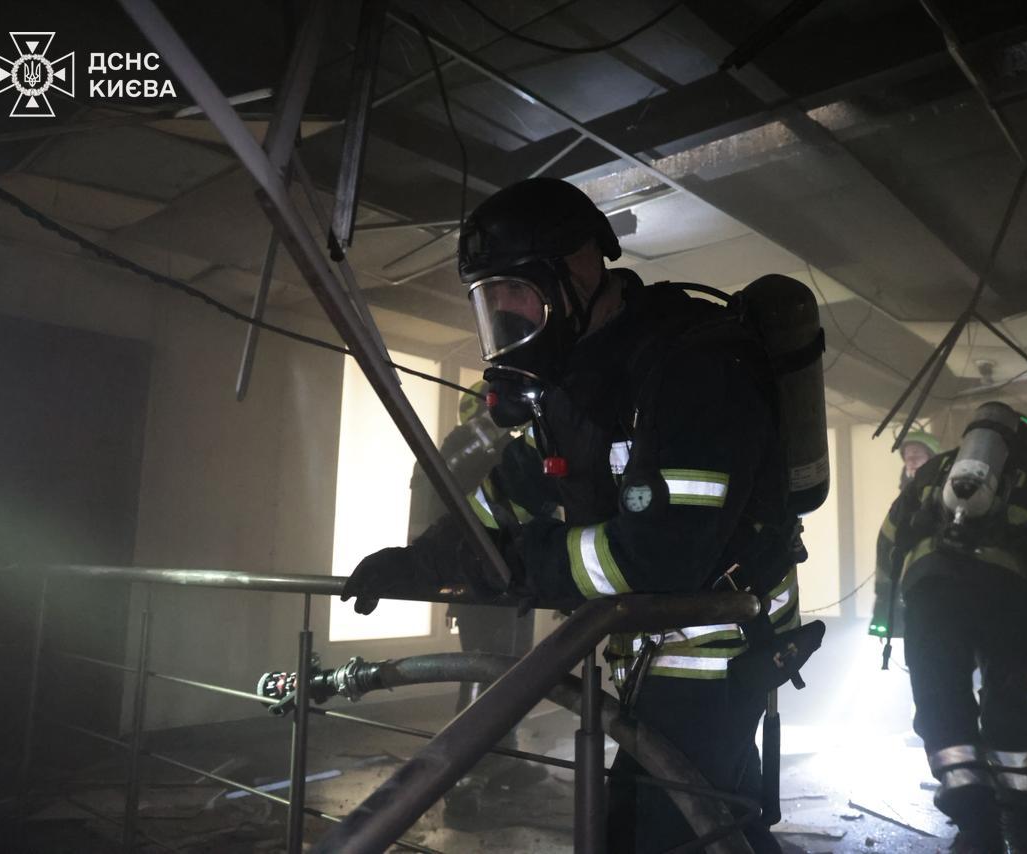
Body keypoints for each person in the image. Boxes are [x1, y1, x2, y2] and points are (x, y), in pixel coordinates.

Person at [342, 177, 811, 853]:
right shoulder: (575, 388)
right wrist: (423, 562)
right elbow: (507, 497)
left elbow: (657, 558)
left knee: (655, 836)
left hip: (719, 651)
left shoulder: (695, 369)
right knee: (711, 827)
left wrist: (514, 564)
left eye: (516, 290)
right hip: (655, 652)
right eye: (489, 299)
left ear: (581, 269)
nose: (504, 315)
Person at [871, 402, 1027, 854]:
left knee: (942, 706)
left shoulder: (935, 473)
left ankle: (977, 829)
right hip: (1003, 602)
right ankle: (1017, 823)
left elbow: (890, 539)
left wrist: (888, 620)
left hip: (930, 597)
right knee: (1006, 703)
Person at [405, 380, 546, 825]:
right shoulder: (470, 446)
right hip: (483, 581)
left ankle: (505, 759)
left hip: (506, 578)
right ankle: (462, 777)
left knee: (509, 667)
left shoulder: (477, 447)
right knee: (484, 671)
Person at [870, 429, 941, 638]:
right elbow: (886, 546)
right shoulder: (904, 501)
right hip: (909, 591)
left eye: (917, 455)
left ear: (932, 459)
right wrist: (884, 603)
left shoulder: (947, 496)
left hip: (937, 590)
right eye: (908, 456)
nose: (911, 461)